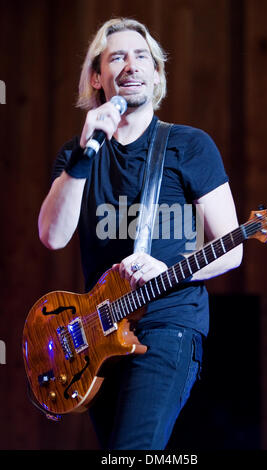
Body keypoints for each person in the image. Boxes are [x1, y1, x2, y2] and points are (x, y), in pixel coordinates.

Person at [38, 17, 243, 450]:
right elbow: (52, 236)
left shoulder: (189, 145)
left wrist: (168, 269)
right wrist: (82, 154)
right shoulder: (77, 157)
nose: (131, 65)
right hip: (100, 332)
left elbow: (232, 249)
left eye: (142, 57)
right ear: (97, 77)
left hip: (169, 324)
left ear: (156, 74)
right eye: (117, 57)